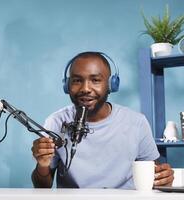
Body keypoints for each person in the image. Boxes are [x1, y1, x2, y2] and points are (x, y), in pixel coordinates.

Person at [31, 51, 174, 189]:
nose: (85, 88)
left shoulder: (137, 122)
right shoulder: (56, 122)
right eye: (77, 80)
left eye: (95, 80)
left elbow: (154, 176)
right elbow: (42, 186)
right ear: (67, 86)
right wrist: (42, 165)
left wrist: (164, 177)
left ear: (111, 84)